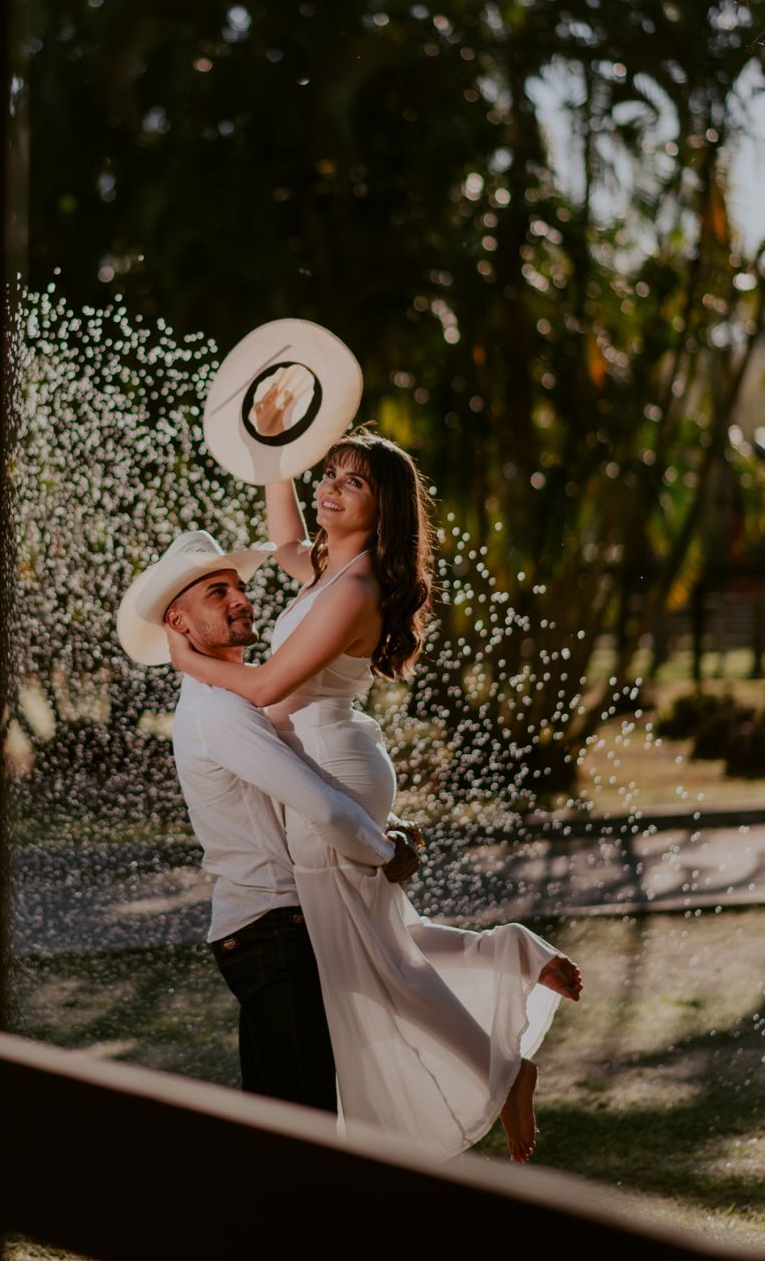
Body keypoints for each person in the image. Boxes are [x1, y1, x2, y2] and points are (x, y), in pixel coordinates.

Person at [164, 427, 583, 1164]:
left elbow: (263, 686)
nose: (327, 488)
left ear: (381, 505)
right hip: (334, 758)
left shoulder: (353, 588)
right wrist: (271, 453)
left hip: (328, 767)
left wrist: (189, 661)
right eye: (327, 474)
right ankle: (510, 960)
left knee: (373, 957)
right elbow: (286, 537)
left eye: (350, 482)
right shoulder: (329, 571)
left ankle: (505, 1062)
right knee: (377, 937)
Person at [116, 529, 421, 1114]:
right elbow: (324, 808)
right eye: (215, 593)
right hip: (273, 932)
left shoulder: (235, 700)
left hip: (273, 930)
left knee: (282, 1120)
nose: (239, 599)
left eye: (237, 586)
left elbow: (309, 784)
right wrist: (386, 854)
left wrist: (386, 827)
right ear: (178, 624)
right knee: (302, 1125)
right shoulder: (217, 711)